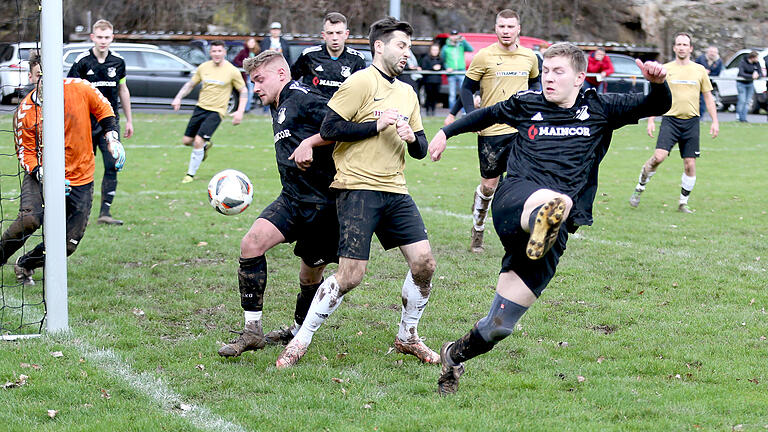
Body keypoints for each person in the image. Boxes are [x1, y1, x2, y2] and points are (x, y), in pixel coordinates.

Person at [428, 42, 671, 395]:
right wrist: (445, 132)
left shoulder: (600, 107)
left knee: (500, 325)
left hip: (552, 231)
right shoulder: (527, 103)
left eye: (558, 72)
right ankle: (545, 219)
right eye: (545, 71)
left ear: (579, 77)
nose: (549, 79)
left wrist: (657, 82)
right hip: (517, 202)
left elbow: (657, 104)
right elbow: (487, 114)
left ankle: (454, 355)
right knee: (554, 202)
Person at [275, 17, 437, 369]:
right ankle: (300, 339)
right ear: (379, 46)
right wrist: (375, 125)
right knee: (351, 276)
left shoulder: (408, 92)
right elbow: (330, 128)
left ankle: (408, 335)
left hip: (395, 190)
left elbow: (422, 148)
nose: (407, 52)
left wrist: (413, 138)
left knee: (425, 264)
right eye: (401, 45)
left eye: (409, 46)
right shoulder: (360, 82)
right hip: (357, 188)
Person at [217, 50, 339, 358]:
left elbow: (341, 125)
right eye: (252, 81)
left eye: (259, 80)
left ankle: (299, 331)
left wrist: (310, 144)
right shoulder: (280, 103)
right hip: (291, 198)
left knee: (310, 275)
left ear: (281, 75)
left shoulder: (303, 97)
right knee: (251, 244)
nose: (255, 87)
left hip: (323, 204)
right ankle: (252, 331)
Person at [0, 56, 126, 285]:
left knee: (68, 244)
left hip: (80, 175)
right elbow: (24, 151)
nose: (46, 82)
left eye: (51, 77)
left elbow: (104, 109)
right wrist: (42, 173)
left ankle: (26, 263)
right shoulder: (25, 111)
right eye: (40, 76)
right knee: (29, 220)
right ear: (31, 77)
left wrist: (112, 137)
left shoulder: (80, 88)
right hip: (41, 175)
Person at [455, 9, 540, 253]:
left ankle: (519, 231)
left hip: (521, 131)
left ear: (518, 29)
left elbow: (535, 82)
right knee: (489, 187)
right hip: (491, 132)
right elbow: (466, 89)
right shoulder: (484, 56)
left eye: (510, 27)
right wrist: (473, 116)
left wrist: (534, 102)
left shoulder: (529, 57)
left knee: (523, 183)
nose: (506, 31)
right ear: (496, 28)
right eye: (502, 26)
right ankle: (478, 228)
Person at [629, 32, 719, 213]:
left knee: (690, 164)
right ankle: (640, 186)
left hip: (692, 122)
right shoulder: (665, 68)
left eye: (685, 44)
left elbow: (708, 97)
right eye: (679, 44)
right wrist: (651, 120)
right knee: (658, 158)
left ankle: (682, 203)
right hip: (670, 120)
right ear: (674, 47)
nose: (682, 47)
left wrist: (715, 121)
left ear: (691, 48)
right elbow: (656, 96)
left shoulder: (699, 70)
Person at [67, 19, 132, 226]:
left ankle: (105, 212)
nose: (103, 41)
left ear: (112, 38)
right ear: (92, 37)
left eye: (107, 37)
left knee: (113, 164)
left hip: (108, 124)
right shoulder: (82, 61)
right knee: (80, 167)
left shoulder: (118, 62)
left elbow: (123, 90)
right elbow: (69, 91)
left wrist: (130, 120)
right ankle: (75, 210)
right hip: (83, 124)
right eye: (99, 37)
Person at [172, 41, 247, 183]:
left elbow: (243, 90)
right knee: (187, 141)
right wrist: (178, 97)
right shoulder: (203, 67)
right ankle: (204, 147)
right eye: (214, 51)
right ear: (210, 53)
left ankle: (190, 175)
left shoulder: (232, 71)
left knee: (198, 140)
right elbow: (190, 84)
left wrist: (240, 111)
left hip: (216, 111)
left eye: (219, 51)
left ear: (224, 52)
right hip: (200, 108)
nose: (217, 54)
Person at [290, 12, 366, 99]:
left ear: (346, 34)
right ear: (324, 35)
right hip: (312, 111)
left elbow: (362, 93)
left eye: (339, 33)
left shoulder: (356, 59)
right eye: (330, 33)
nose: (334, 38)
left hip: (341, 111)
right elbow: (290, 82)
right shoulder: (309, 55)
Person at [441, 29, 473, 109]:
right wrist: (447, 67)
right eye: (453, 35)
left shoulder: (461, 45)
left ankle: (463, 111)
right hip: (451, 73)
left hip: (461, 71)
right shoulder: (446, 47)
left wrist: (464, 41)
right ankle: (452, 113)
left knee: (463, 92)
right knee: (452, 94)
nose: (454, 37)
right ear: (450, 36)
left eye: (456, 35)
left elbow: (470, 49)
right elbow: (442, 59)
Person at [233, 37, 260, 112]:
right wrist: (244, 65)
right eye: (250, 42)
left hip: (255, 75)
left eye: (253, 42)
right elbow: (236, 60)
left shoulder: (257, 52)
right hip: (246, 75)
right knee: (249, 91)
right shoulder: (243, 52)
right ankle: (246, 109)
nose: (251, 44)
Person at [694, 46, 723, 115]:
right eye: (711, 52)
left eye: (714, 52)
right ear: (707, 52)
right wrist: (703, 72)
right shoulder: (700, 59)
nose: (712, 54)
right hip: (698, 82)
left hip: (709, 84)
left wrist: (709, 73)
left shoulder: (719, 62)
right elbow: (694, 68)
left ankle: (701, 116)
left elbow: (717, 73)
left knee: (704, 100)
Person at [735, 51, 762, 123]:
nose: (757, 59)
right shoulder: (743, 62)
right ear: (752, 58)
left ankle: (743, 118)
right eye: (756, 57)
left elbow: (760, 72)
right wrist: (751, 76)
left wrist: (757, 75)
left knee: (747, 102)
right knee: (742, 100)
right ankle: (738, 117)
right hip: (741, 84)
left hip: (750, 84)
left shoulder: (756, 63)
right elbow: (741, 73)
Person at [419, 44, 444, 116]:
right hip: (428, 81)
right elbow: (423, 68)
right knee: (428, 96)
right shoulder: (426, 58)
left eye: (436, 50)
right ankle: (427, 111)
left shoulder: (440, 59)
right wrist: (433, 68)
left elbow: (443, 67)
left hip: (437, 81)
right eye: (433, 50)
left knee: (435, 96)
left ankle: (433, 111)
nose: (435, 51)